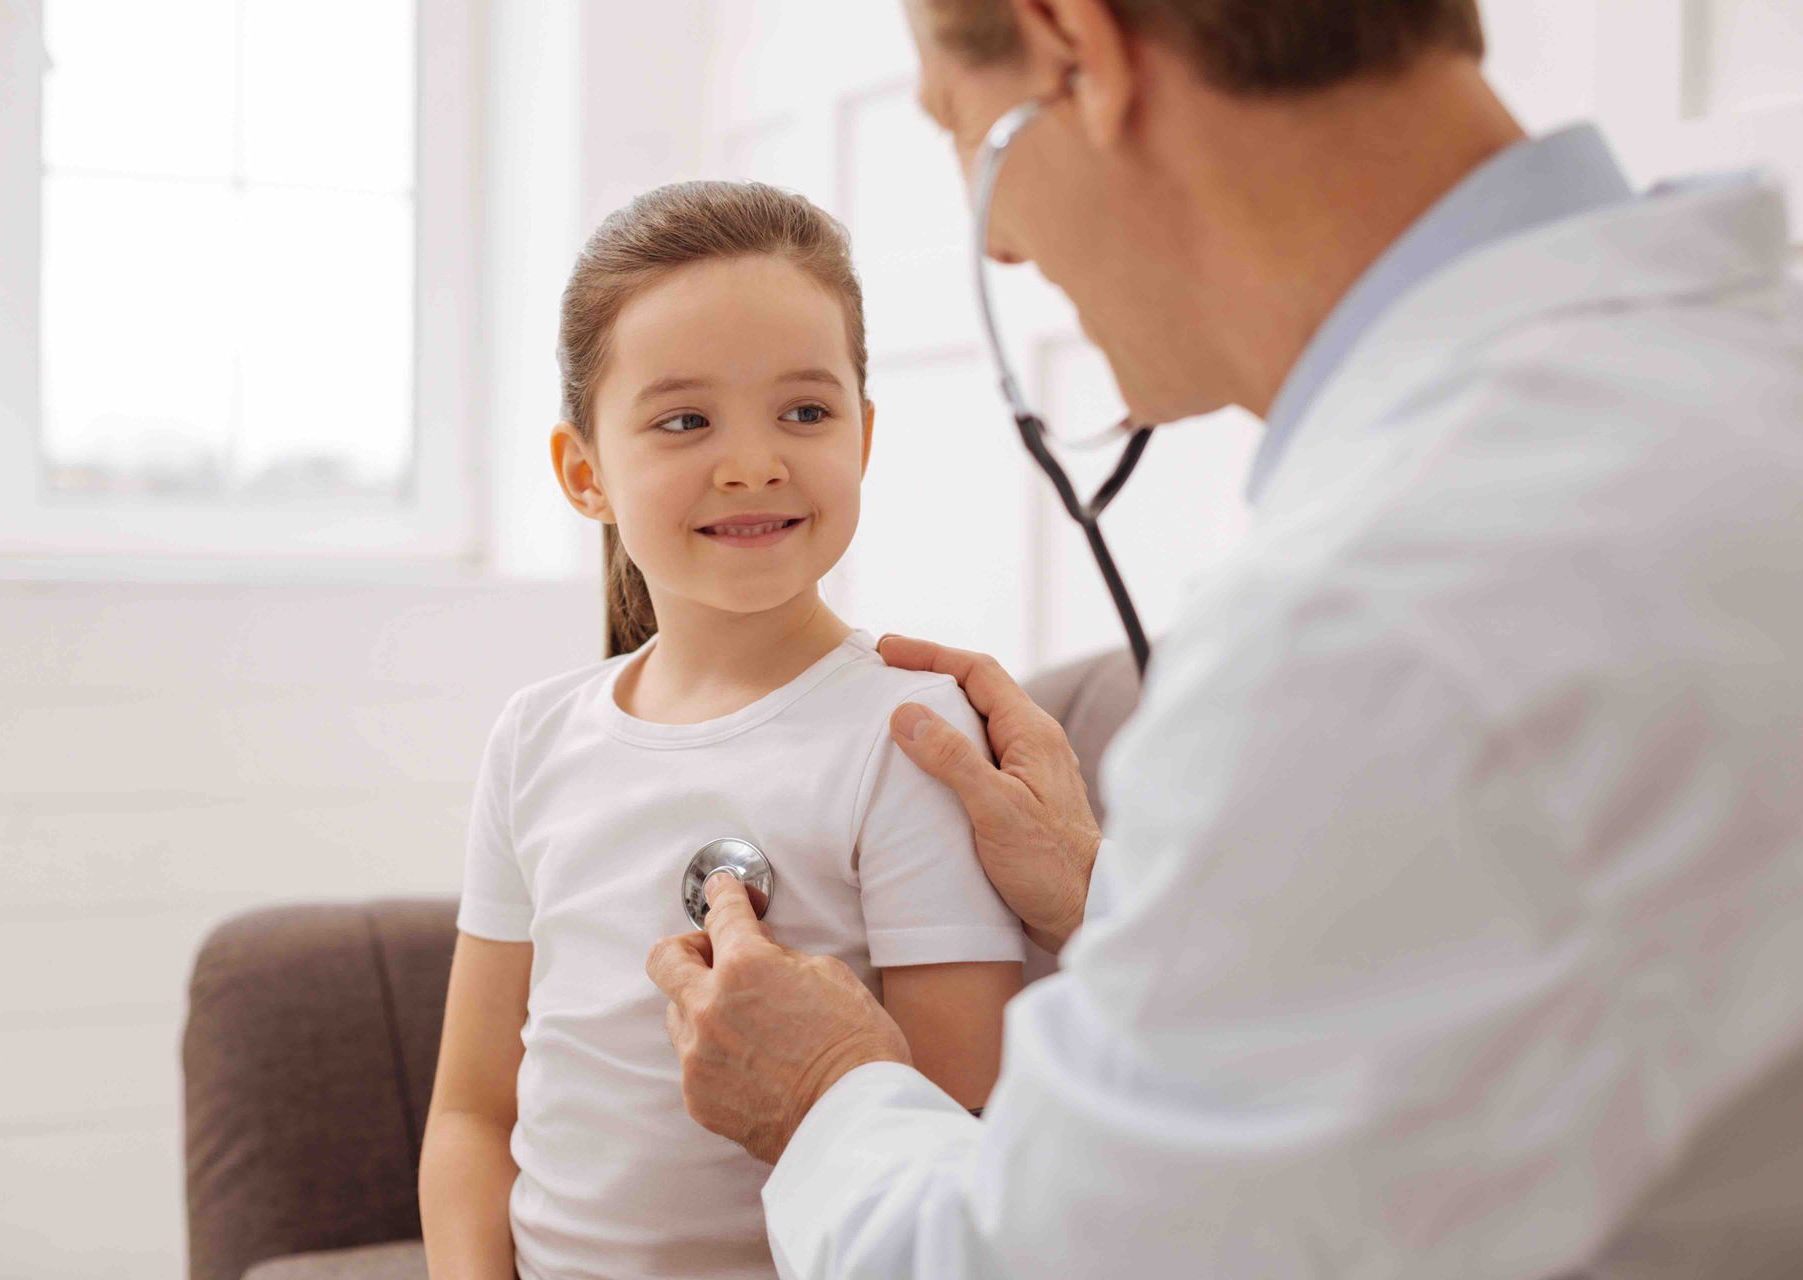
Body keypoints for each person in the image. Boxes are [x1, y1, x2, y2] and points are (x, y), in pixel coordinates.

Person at [645, 0, 1803, 1276]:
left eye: (958, 127)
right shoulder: (1721, 371)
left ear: (1071, 49)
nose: (1011, 247)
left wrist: (821, 1089)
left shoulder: (1382, 615)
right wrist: (1118, 903)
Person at [418, 181, 1026, 1280]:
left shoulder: (915, 734)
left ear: (865, 435)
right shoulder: (534, 737)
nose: (753, 461)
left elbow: (951, 1130)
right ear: (585, 472)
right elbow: (470, 1108)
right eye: (685, 419)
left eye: (805, 410)